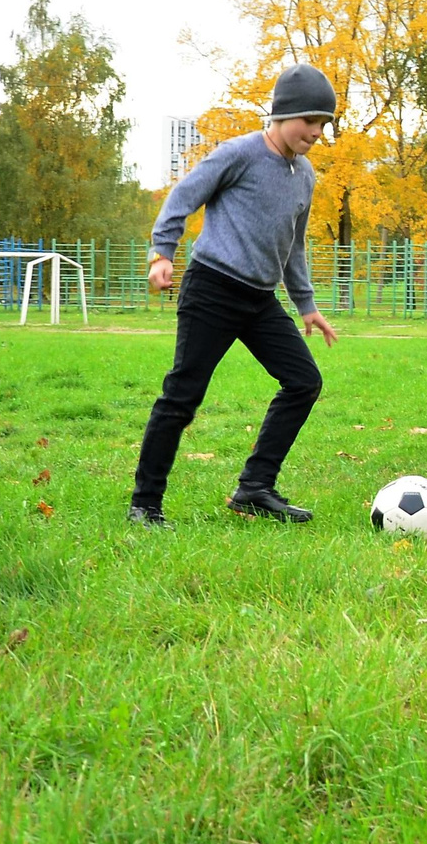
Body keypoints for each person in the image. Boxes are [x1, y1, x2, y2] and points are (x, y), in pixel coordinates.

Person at [129, 63, 340, 526]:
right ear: (283, 114)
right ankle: (145, 504)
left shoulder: (304, 175)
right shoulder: (239, 153)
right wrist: (162, 253)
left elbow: (293, 246)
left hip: (260, 300)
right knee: (182, 396)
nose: (316, 132)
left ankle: (255, 488)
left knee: (303, 381)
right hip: (213, 288)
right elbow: (182, 197)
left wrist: (306, 305)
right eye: (310, 121)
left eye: (324, 124)